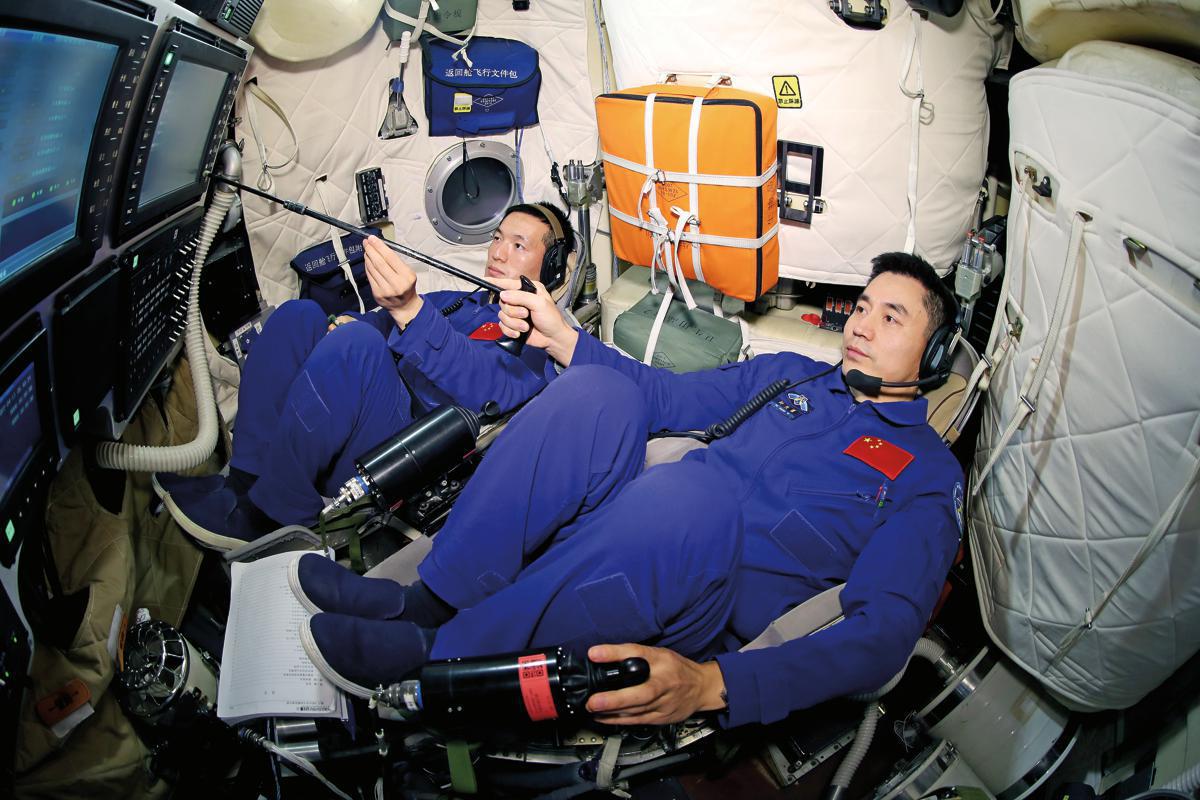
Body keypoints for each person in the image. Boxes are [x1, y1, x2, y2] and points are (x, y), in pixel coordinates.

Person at [293, 252, 965, 729]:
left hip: (698, 609)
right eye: (862, 307)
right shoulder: (791, 375)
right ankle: (426, 602)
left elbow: (883, 635)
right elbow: (664, 395)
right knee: (598, 392)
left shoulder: (928, 476)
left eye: (892, 318)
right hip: (634, 529)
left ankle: (440, 658)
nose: (861, 327)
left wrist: (715, 685)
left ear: (934, 354)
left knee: (693, 496)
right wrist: (564, 338)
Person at [154, 202, 575, 551]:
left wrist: (407, 313)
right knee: (299, 316)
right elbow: (382, 321)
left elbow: (490, 390)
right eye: (497, 238)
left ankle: (276, 518)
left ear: (552, 266)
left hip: (408, 450)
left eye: (518, 245)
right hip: (366, 414)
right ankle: (245, 482)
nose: (498, 253)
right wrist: (345, 321)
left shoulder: (539, 341)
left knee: (360, 345)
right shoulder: (462, 300)